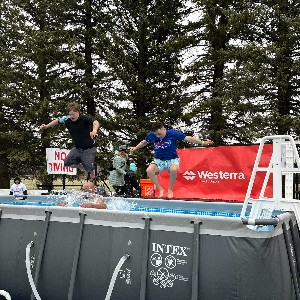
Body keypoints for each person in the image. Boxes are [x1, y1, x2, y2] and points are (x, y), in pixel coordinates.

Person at [130, 121, 213, 198]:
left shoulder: (172, 133)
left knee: (173, 170)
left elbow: (188, 138)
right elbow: (144, 142)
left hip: (172, 159)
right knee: (149, 171)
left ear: (164, 129)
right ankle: (161, 189)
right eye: (156, 135)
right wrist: (135, 148)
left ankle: (170, 189)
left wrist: (202, 143)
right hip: (159, 160)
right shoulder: (152, 135)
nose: (158, 136)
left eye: (159, 134)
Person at [40, 102, 100, 180]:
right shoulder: (66, 119)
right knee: (67, 163)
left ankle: (91, 175)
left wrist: (94, 130)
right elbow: (57, 120)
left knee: (90, 170)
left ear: (78, 112)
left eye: (73, 114)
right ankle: (84, 167)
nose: (72, 116)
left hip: (88, 149)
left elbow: (95, 122)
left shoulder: (85, 118)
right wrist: (47, 126)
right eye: (70, 114)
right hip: (77, 148)